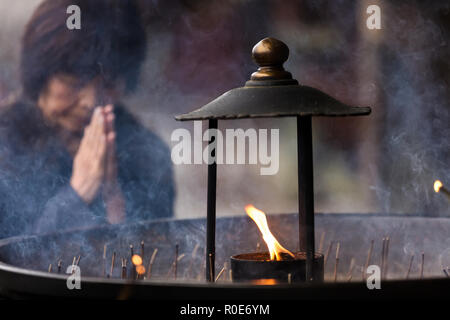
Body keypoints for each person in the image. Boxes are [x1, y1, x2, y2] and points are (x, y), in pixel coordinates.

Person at [0, 0, 174, 238]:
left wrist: (112, 197)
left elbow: (160, 257)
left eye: (109, 84)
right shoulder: (5, 144)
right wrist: (79, 192)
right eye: (74, 83)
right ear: (41, 76)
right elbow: (12, 266)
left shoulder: (147, 154)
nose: (90, 102)